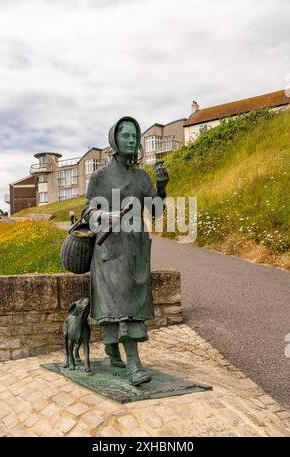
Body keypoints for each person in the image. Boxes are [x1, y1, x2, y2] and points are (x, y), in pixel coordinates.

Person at [82, 116, 169, 386]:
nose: (131, 141)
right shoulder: (100, 177)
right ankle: (134, 364)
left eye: (135, 136)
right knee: (120, 306)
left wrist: (162, 188)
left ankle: (111, 347)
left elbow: (154, 212)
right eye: (126, 136)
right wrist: (107, 214)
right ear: (114, 141)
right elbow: (88, 212)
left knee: (132, 302)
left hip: (136, 249)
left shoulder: (142, 177)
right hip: (109, 249)